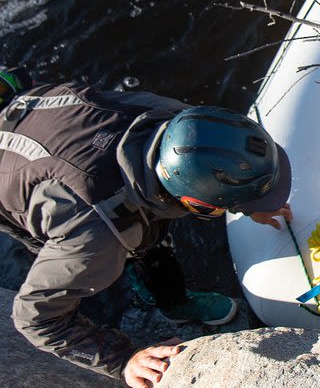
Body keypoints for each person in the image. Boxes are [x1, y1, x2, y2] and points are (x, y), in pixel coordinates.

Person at [0, 70, 292, 388]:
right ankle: (100, 276)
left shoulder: (175, 119)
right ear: (199, 203)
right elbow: (34, 318)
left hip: (45, 129)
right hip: (24, 180)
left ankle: (171, 300)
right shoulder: (95, 232)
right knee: (101, 245)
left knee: (143, 233)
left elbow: (205, 165)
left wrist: (248, 202)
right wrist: (123, 360)